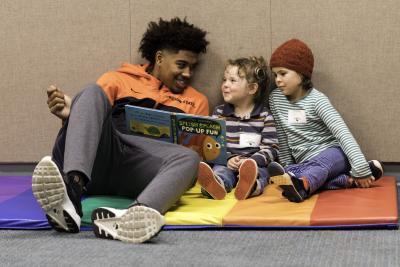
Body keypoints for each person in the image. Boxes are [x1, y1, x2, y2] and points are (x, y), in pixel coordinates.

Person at [32, 17, 210, 243]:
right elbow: (91, 117)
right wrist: (72, 115)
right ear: (160, 58)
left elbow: (196, 157)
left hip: (139, 170)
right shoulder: (117, 79)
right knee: (90, 93)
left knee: (190, 158)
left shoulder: (197, 101)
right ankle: (71, 192)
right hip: (100, 157)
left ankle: (135, 216)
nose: (187, 74)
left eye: (192, 68)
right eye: (181, 65)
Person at [267, 39, 384, 203]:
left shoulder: (318, 101)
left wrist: (360, 168)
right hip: (305, 160)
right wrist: (286, 165)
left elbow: (342, 133)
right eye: (275, 74)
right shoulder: (275, 99)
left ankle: (303, 186)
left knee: (321, 165)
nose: (277, 80)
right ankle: (347, 181)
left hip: (332, 153)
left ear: (301, 74)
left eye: (283, 73)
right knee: (311, 170)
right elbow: (282, 133)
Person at [197, 57, 279, 200]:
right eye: (224, 80)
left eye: (232, 80)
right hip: (226, 163)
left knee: (261, 174)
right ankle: (217, 185)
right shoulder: (219, 114)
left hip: (254, 164)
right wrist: (228, 158)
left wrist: (251, 162)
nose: (225, 85)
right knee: (220, 171)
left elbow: (272, 148)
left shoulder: (264, 116)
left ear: (252, 88)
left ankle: (250, 187)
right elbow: (213, 146)